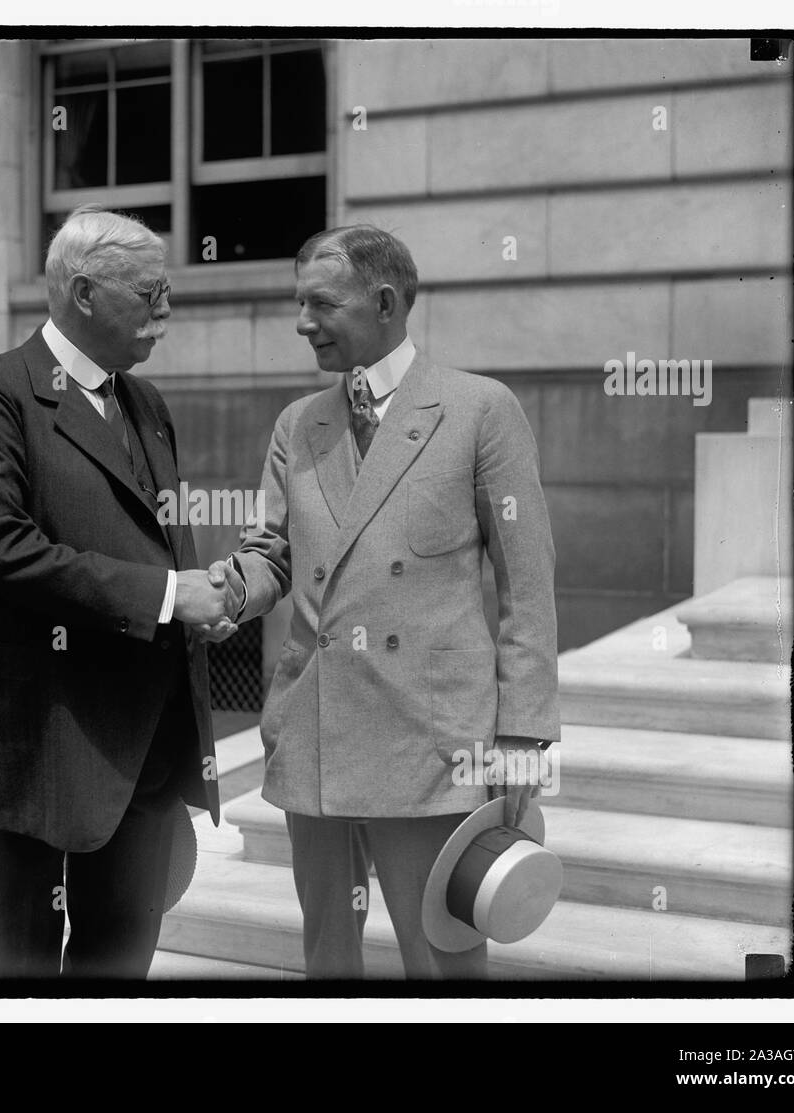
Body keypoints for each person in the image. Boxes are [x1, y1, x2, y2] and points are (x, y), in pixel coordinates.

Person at [203, 225, 560, 979]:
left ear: (386, 302)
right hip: (317, 734)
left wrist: (524, 735)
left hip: (431, 748)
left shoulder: (479, 410)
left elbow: (526, 586)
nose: (302, 322)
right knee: (328, 961)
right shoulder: (298, 424)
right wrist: (224, 591)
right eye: (298, 303)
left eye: (320, 303)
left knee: (442, 965)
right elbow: (272, 553)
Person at [0, 205, 233, 978]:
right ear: (86, 292)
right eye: (150, 292)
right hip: (31, 739)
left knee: (118, 964)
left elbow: (161, 538)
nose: (166, 310)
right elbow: (4, 549)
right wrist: (169, 596)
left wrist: (198, 607)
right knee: (19, 970)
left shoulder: (148, 404)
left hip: (141, 748)